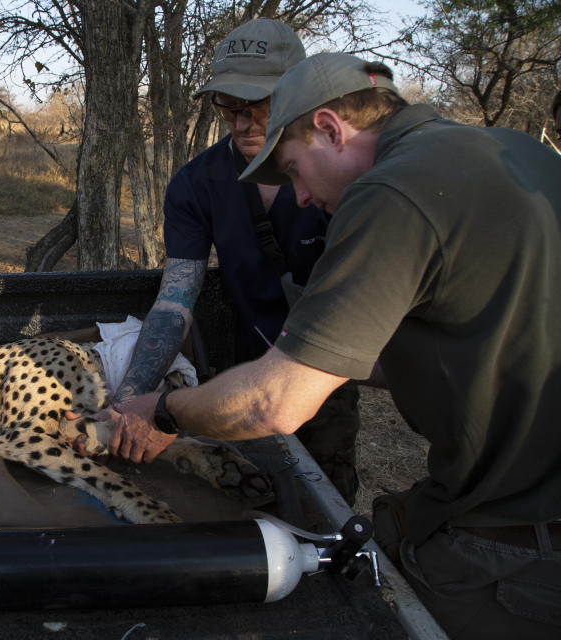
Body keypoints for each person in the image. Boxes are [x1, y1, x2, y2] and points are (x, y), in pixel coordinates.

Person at [109, 52, 561, 639]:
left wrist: (165, 411)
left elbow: (274, 404)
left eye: (293, 169)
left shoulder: (391, 191)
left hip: (516, 544)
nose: (298, 196)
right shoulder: (520, 153)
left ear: (329, 128)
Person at [112, 18, 361, 504]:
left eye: (263, 105)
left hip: (325, 368)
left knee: (324, 499)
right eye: (230, 105)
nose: (246, 121)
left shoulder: (344, 174)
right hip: (243, 369)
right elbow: (175, 300)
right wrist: (129, 402)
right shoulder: (196, 182)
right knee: (244, 497)